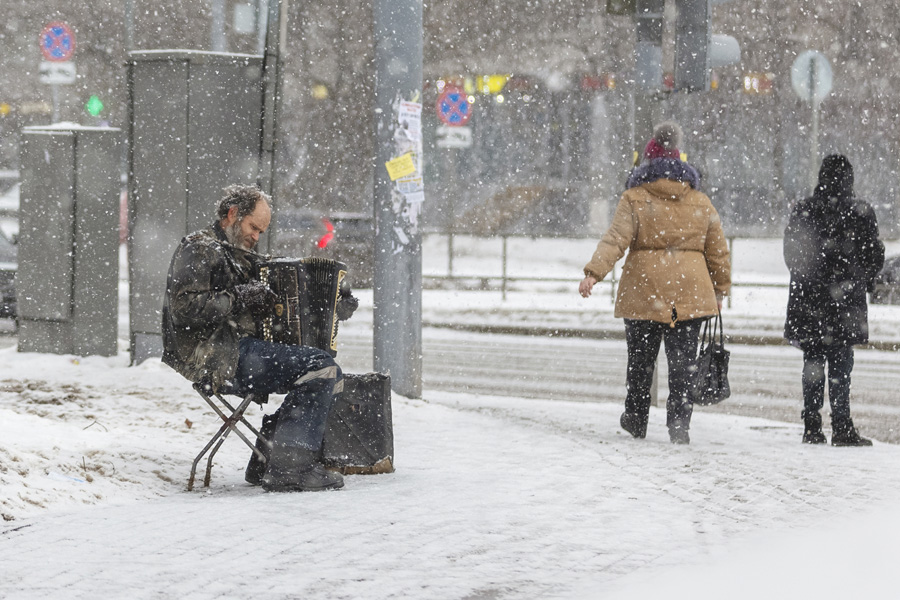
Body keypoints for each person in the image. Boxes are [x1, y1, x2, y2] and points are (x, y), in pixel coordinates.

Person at [162, 184, 357, 491]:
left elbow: (291, 281)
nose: (256, 236)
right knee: (320, 368)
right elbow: (183, 308)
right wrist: (239, 297)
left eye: (261, 231)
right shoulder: (199, 247)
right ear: (232, 214)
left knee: (330, 370)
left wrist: (333, 303)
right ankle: (291, 468)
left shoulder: (244, 256)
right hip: (214, 354)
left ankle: (269, 458)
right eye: (253, 227)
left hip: (237, 349)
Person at [579, 122, 731, 444]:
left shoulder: (634, 198)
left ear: (645, 163)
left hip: (644, 291)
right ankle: (679, 427)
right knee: (683, 366)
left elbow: (616, 239)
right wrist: (720, 290)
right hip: (687, 295)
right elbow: (718, 250)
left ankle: (636, 418)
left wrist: (594, 272)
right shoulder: (701, 201)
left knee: (641, 362)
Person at [783, 154, 884, 446]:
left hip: (809, 299)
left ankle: (811, 425)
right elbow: (874, 256)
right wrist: (855, 277)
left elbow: (792, 254)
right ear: (849, 180)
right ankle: (842, 426)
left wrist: (810, 278)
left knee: (812, 359)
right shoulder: (861, 212)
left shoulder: (804, 209)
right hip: (845, 300)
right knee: (841, 363)